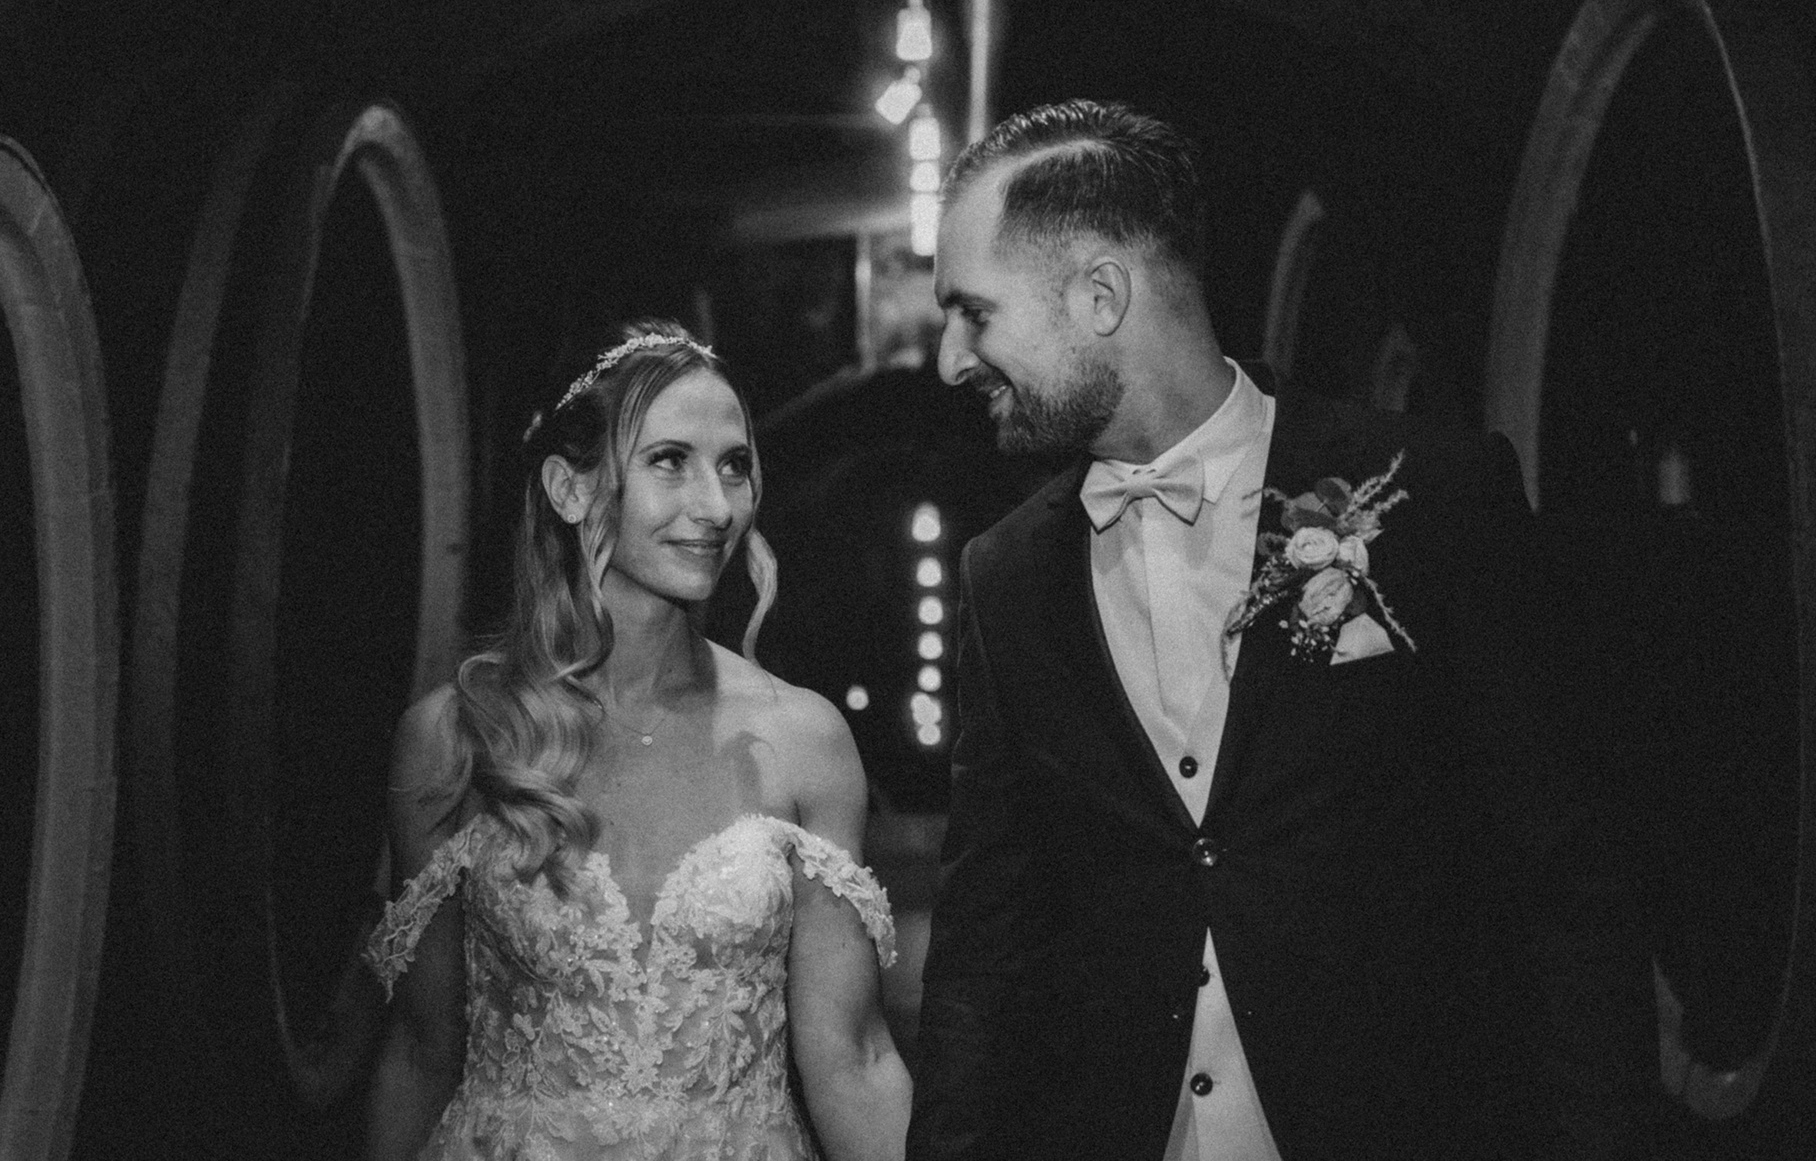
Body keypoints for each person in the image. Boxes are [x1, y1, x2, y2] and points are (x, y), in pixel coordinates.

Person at [905, 102, 1650, 1159]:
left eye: (973, 313)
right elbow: (985, 938)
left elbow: (1565, 880)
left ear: (1101, 295)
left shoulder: (1435, 497)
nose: (949, 360)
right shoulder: (1008, 576)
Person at [363, 321, 912, 1161]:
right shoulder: (454, 740)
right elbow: (419, 1052)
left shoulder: (806, 741)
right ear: (569, 488)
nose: (718, 507)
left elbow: (856, 1063)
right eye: (670, 461)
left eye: (735, 465)